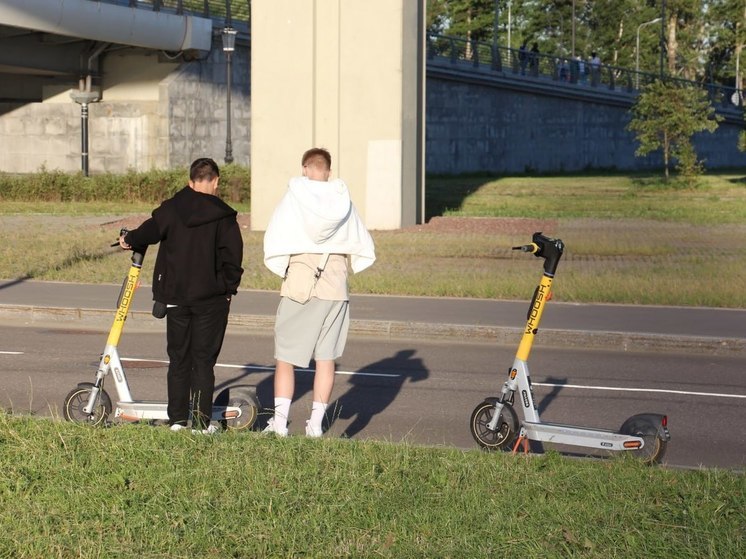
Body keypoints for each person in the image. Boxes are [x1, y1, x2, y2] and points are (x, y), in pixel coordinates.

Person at [119, 157, 244, 434]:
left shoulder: (171, 209)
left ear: (190, 182)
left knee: (178, 360)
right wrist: (227, 288)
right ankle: (200, 425)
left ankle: (176, 421)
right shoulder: (224, 216)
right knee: (203, 361)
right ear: (216, 181)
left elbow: (147, 233)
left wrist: (128, 240)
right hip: (211, 300)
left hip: (175, 298)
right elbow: (233, 259)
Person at [262, 147, 375, 437]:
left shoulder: (294, 196)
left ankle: (279, 422)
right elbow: (359, 237)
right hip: (335, 283)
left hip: (301, 279)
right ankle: (315, 424)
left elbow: (276, 235)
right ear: (327, 171)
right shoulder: (342, 199)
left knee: (286, 357)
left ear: (304, 168)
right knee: (326, 358)